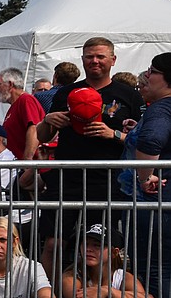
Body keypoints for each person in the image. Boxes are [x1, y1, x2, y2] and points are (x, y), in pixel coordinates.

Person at [35, 37, 144, 276]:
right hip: (65, 176)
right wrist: (47, 121)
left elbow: (140, 141)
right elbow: (42, 135)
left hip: (107, 179)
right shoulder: (66, 92)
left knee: (100, 248)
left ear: (113, 60)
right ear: (82, 60)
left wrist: (113, 134)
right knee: (53, 244)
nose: (94, 61)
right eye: (89, 56)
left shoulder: (128, 95)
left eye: (100, 56)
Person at [119, 53, 171, 298]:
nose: (146, 76)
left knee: (155, 270)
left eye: (152, 71)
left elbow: (152, 141)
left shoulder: (161, 108)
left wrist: (145, 177)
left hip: (156, 206)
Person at [0, 66, 44, 162]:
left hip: (28, 168)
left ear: (10, 84)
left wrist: (27, 161)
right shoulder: (16, 105)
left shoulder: (26, 100)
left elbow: (33, 129)